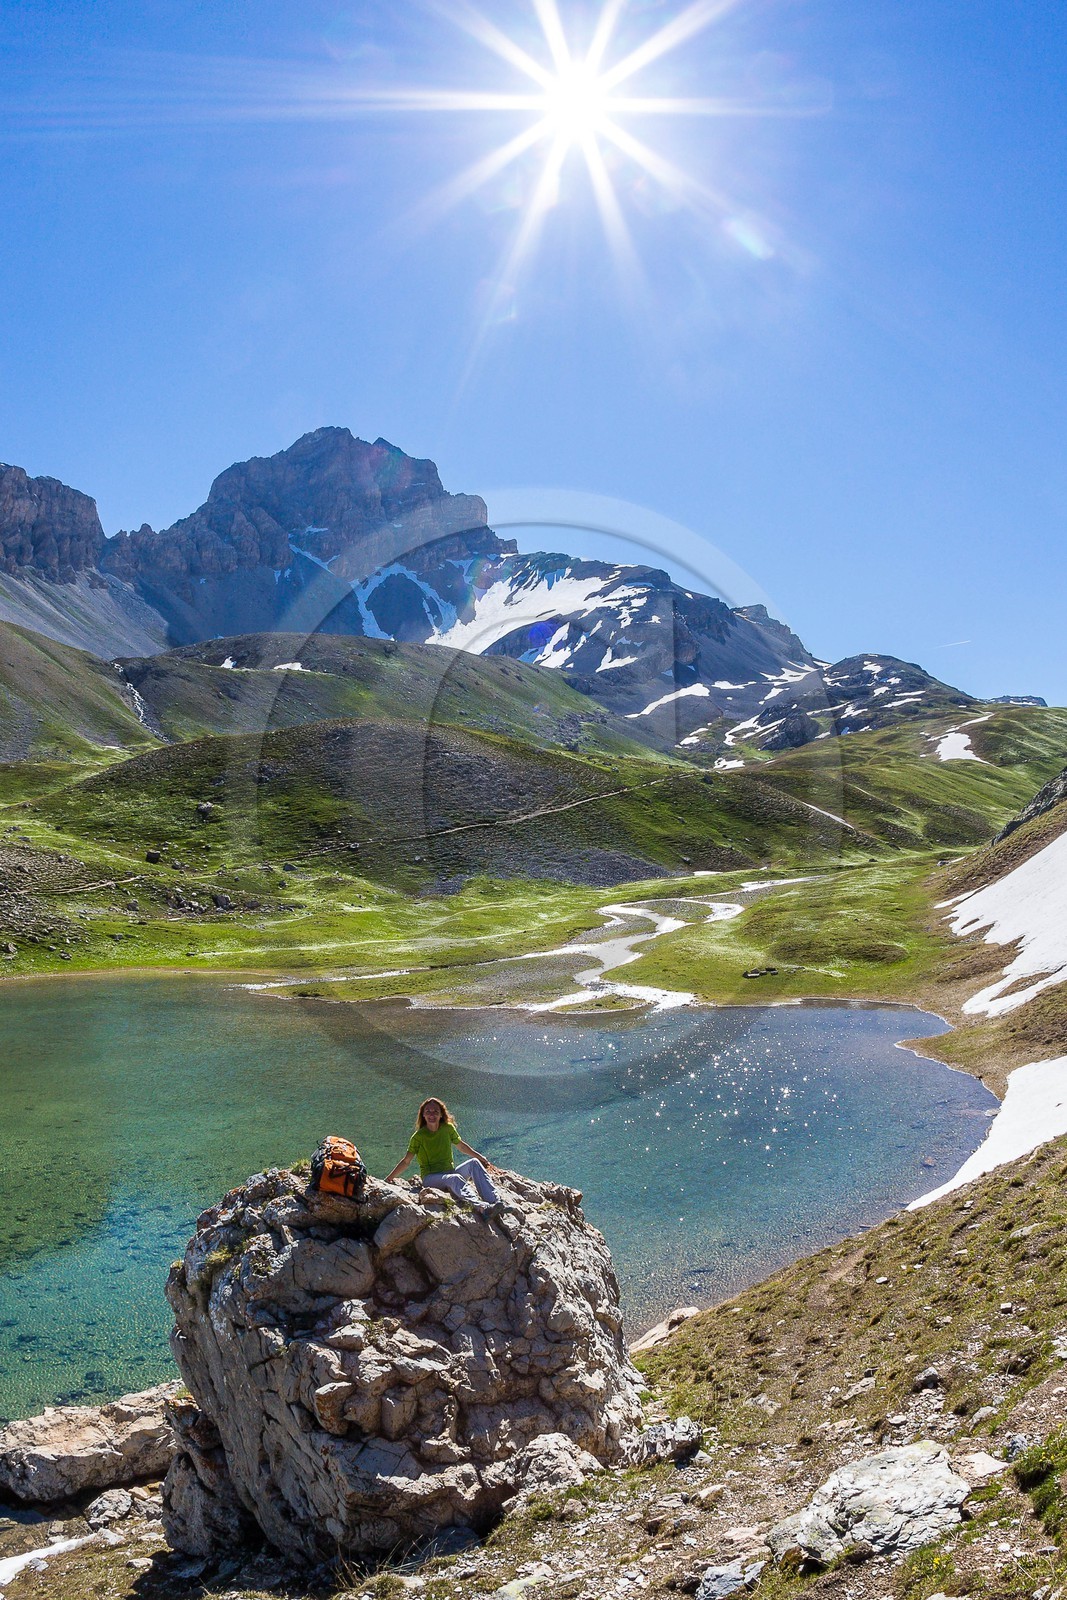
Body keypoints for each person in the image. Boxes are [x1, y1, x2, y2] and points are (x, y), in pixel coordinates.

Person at [386, 1097, 503, 1214]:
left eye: (435, 1111)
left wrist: (481, 1158)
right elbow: (406, 1161)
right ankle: (482, 1208)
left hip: (449, 1173)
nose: (432, 1115)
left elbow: (461, 1146)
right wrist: (389, 1178)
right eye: (428, 1112)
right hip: (431, 1178)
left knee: (474, 1163)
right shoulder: (418, 1137)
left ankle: (496, 1203)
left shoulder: (447, 1128)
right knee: (454, 1178)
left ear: (441, 1114)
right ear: (423, 1115)